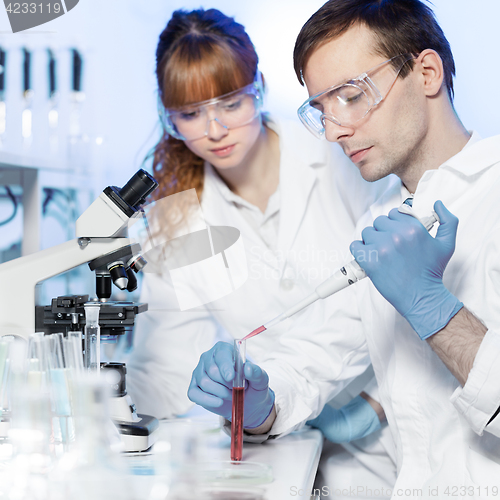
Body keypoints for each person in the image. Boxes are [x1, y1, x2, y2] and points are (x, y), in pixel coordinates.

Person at [188, 0, 500, 495]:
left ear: (427, 73)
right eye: (321, 110)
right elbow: (322, 350)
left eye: (351, 96)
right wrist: (259, 404)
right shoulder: (379, 221)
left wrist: (434, 308)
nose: (334, 132)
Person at [124, 7, 397, 497]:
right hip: (274, 438)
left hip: (387, 422)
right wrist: (118, 419)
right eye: (190, 114)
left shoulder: (338, 153)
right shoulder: (177, 220)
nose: (213, 129)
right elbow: (161, 366)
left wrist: (375, 405)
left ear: (260, 88)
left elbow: (400, 285)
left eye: (230, 103)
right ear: (169, 119)